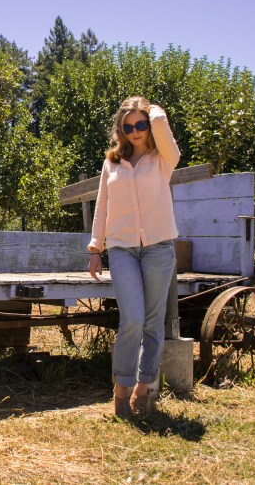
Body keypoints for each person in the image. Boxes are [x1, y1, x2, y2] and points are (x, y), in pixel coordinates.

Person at [87, 96, 180, 417]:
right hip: (122, 249)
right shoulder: (112, 162)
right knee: (132, 321)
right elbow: (102, 205)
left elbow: (166, 137)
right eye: (128, 126)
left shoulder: (163, 158)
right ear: (120, 130)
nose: (136, 131)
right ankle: (120, 391)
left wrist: (154, 111)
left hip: (159, 248)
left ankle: (143, 389)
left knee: (154, 324)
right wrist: (95, 247)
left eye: (141, 124)